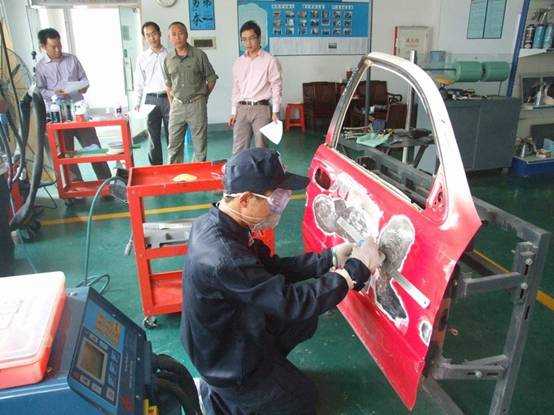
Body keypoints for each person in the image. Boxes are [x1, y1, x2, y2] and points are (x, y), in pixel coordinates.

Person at [181, 147, 382, 414]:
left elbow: (271, 269)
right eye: (275, 198)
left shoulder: (219, 223)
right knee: (303, 400)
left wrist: (329, 258)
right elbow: (291, 303)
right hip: (225, 362)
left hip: (224, 334)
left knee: (304, 321)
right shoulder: (224, 256)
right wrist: (353, 272)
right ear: (245, 200)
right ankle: (227, 396)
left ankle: (262, 377)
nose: (280, 207)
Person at [35, 28, 111, 183]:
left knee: (95, 149)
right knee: (67, 154)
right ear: (43, 47)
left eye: (59, 45)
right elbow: (40, 90)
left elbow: (84, 80)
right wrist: (54, 93)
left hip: (79, 111)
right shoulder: (40, 67)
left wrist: (83, 86)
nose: (58, 50)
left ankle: (107, 185)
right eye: (53, 47)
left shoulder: (72, 59)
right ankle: (76, 188)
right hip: (58, 115)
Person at [163, 22, 218, 163]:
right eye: (173, 34)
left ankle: (196, 175)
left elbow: (211, 79)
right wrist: (172, 103)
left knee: (199, 145)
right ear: (169, 38)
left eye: (180, 33)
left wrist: (203, 97)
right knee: (173, 146)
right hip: (177, 105)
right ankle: (175, 173)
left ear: (186, 34)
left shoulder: (199, 55)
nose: (177, 37)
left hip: (196, 104)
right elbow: (168, 84)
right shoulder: (168, 59)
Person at [229, 21, 282, 154]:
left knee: (261, 148)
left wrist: (275, 111)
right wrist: (233, 112)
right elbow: (236, 89)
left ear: (259, 38)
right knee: (239, 149)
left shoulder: (270, 60)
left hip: (261, 109)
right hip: (242, 108)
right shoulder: (238, 62)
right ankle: (240, 168)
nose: (248, 43)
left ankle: (261, 169)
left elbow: (276, 86)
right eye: (244, 39)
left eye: (252, 38)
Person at [134, 21, 169, 165]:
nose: (152, 38)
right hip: (150, 100)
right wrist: (137, 102)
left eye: (154, 34)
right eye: (148, 35)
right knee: (153, 137)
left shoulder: (169, 55)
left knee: (173, 135)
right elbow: (139, 82)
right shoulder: (142, 57)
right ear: (145, 38)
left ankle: (174, 167)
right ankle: (156, 168)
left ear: (159, 33)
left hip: (168, 98)